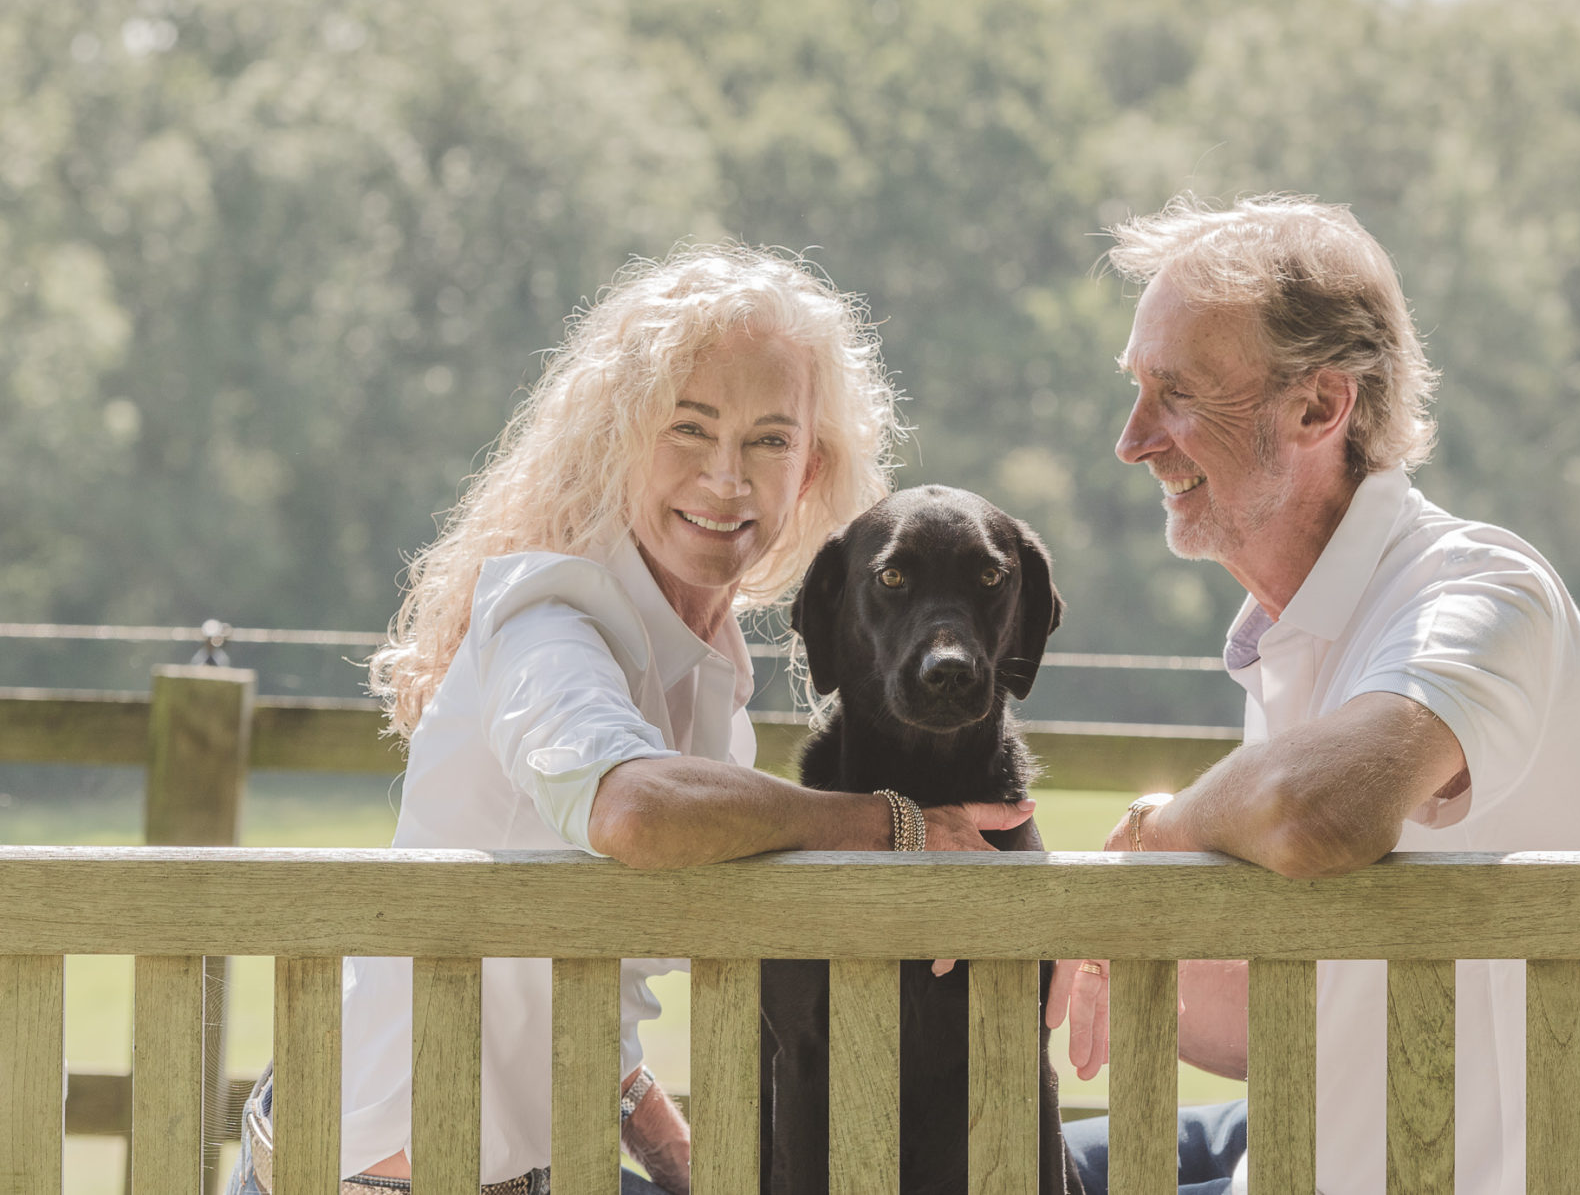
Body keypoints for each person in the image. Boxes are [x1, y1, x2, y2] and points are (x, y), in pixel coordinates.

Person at [228, 246, 1034, 1195]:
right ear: (618, 434)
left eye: (769, 442)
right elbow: (634, 813)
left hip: (537, 1172)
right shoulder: (548, 619)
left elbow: (572, 982)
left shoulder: (711, 670)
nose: (727, 479)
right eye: (689, 429)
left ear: (810, 468)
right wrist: (894, 828)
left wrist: (667, 1144)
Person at [1047, 196, 1580, 1195]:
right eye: (1136, 388)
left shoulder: (1477, 590)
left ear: (1318, 408)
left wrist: (1165, 828)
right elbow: (1299, 1001)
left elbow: (1317, 811)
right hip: (1310, 1151)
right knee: (963, 1160)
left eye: (1178, 394)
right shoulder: (1298, 632)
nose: (1132, 440)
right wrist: (1105, 950)